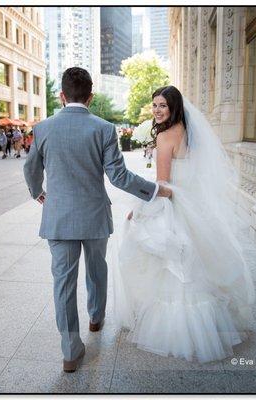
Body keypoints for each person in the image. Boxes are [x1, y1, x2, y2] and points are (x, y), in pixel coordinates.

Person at [23, 67, 172, 373]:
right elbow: (118, 177)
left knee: (63, 283)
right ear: (90, 97)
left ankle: (70, 351)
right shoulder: (104, 128)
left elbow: (30, 168)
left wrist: (38, 191)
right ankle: (96, 317)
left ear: (62, 95)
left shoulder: (42, 128)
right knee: (97, 269)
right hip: (94, 215)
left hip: (59, 218)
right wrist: (154, 190)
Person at [113, 86, 256, 364]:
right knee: (199, 262)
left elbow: (164, 185)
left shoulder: (166, 136)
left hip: (175, 204)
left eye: (162, 105)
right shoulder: (190, 132)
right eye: (154, 105)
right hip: (193, 204)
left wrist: (140, 206)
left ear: (174, 107)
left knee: (175, 269)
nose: (156, 110)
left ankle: (178, 329)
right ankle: (210, 324)